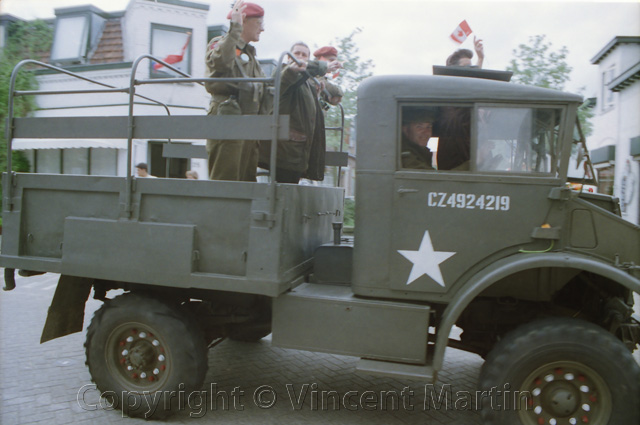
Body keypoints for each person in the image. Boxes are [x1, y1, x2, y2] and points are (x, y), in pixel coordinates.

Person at [204, 0, 266, 182]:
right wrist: (235, 29)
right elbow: (221, 62)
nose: (262, 29)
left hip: (248, 121)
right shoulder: (221, 43)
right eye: (259, 23)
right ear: (244, 20)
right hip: (228, 116)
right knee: (226, 179)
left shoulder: (251, 55)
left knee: (246, 180)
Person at [258, 42, 336, 183]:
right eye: (297, 53)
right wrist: (323, 67)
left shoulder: (305, 83)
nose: (299, 57)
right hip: (285, 150)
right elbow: (288, 79)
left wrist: (316, 94)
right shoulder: (283, 71)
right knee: (283, 192)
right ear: (289, 56)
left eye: (304, 54)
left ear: (308, 58)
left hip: (297, 149)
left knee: (290, 191)